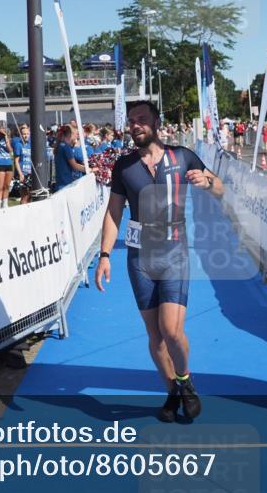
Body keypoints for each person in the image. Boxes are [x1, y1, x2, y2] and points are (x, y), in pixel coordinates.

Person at [95, 100, 224, 423]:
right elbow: (113, 212)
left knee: (171, 330)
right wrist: (104, 255)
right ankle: (172, 392)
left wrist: (207, 182)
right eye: (131, 120)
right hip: (139, 259)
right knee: (155, 336)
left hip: (174, 254)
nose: (135, 125)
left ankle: (185, 380)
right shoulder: (124, 166)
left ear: (156, 123)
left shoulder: (183, 157)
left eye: (141, 119)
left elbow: (220, 189)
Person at [53, 125, 87, 191]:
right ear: (70, 135)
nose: (77, 136)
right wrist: (89, 170)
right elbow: (75, 166)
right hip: (65, 184)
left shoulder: (60, 145)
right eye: (76, 134)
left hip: (60, 183)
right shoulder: (66, 147)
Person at [0, 125, 15, 209]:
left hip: (8, 164)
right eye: (0, 132)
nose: (2, 133)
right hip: (0, 164)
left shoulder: (8, 140)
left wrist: (6, 138)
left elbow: (10, 150)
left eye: (3, 131)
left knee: (7, 186)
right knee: (0, 186)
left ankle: (5, 204)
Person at [12, 123, 33, 204]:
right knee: (24, 195)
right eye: (24, 134)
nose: (26, 136)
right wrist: (20, 174)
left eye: (27, 134)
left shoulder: (30, 145)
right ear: (21, 135)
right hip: (22, 173)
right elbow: (16, 161)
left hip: (30, 172)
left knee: (30, 195)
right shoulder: (18, 145)